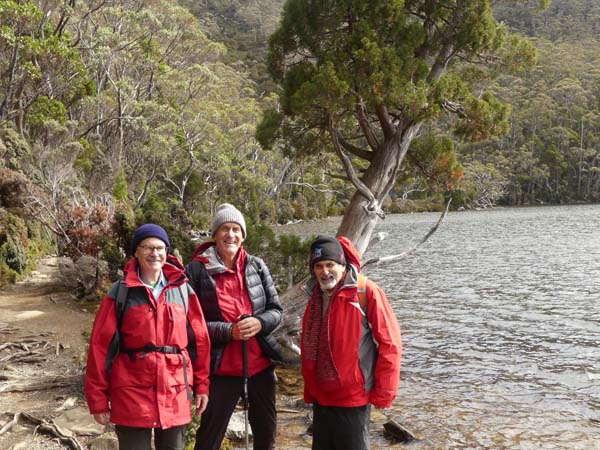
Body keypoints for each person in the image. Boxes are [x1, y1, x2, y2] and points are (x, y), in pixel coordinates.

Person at [85, 224, 211, 450]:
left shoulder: (183, 290)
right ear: (136, 251)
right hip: (131, 394)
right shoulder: (120, 292)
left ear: (167, 252)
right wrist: (98, 399)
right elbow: (100, 348)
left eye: (160, 248)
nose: (155, 253)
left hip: (175, 391)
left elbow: (199, 342)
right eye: (148, 247)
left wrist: (202, 386)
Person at [186, 203, 283, 450]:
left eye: (236, 229)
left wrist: (260, 323)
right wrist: (229, 331)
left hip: (259, 368)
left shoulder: (256, 265)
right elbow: (188, 326)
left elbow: (276, 311)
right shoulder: (197, 270)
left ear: (243, 235)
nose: (231, 234)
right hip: (220, 372)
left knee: (266, 437)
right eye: (225, 229)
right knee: (208, 440)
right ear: (215, 233)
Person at [301, 235, 402, 450]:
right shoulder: (315, 296)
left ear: (342, 264)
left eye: (330, 264)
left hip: (353, 399)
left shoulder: (366, 292)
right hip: (322, 397)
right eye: (318, 266)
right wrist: (310, 390)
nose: (324, 271)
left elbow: (390, 344)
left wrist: (384, 392)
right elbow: (311, 348)